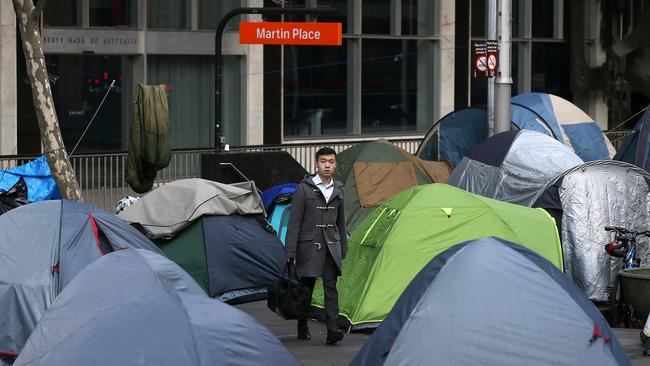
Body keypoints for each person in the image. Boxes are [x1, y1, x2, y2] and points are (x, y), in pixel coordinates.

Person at [285, 147, 347, 345]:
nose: (327, 165)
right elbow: (294, 221)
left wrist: (343, 247)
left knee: (331, 287)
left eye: (331, 161)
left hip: (331, 245)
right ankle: (302, 325)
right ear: (316, 163)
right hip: (309, 245)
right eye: (323, 161)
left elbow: (341, 222)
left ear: (335, 165)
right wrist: (291, 251)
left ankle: (332, 329)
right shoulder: (303, 188)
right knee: (307, 289)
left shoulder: (338, 188)